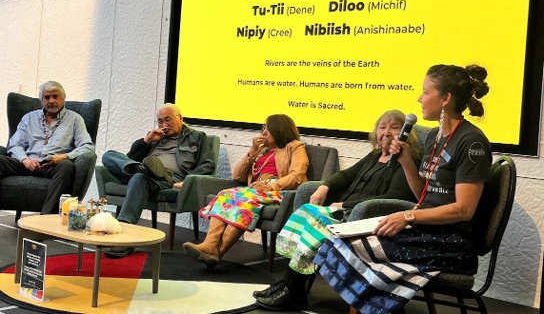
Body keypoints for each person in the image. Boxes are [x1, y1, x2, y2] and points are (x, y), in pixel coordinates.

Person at [256, 64, 492, 313]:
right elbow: (423, 194)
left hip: (450, 242)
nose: (419, 99)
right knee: (336, 239)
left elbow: (464, 210)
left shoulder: (471, 141)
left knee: (345, 247)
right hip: (425, 229)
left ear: (445, 99)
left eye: (425, 92)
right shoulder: (436, 137)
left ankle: (373, 307)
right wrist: (407, 163)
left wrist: (408, 216)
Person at [253, 110, 420, 310]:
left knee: (316, 220)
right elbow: (346, 175)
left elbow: (393, 198)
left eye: (394, 128)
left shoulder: (408, 161)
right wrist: (325, 187)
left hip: (364, 219)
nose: (386, 133)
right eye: (382, 127)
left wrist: (345, 205)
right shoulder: (375, 155)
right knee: (307, 211)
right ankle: (288, 284)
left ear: (405, 133)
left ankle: (293, 290)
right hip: (344, 213)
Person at [183, 114, 309, 269]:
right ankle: (210, 244)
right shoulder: (261, 151)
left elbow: (297, 175)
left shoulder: (295, 146)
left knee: (245, 200)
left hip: (280, 192)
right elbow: (238, 176)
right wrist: (252, 151)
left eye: (268, 129)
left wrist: (270, 186)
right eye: (264, 129)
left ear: (279, 130)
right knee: (225, 194)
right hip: (255, 192)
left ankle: (217, 252)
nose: (264, 133)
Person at [101, 103, 215, 258]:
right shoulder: (155, 137)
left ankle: (124, 238)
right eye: (160, 121)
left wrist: (188, 181)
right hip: (144, 173)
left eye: (168, 119)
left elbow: (208, 164)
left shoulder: (197, 137)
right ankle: (140, 168)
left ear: (180, 119)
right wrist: (147, 140)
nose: (164, 125)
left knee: (140, 177)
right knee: (108, 155)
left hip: (170, 178)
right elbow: (130, 158)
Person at [0, 81, 95, 214]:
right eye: (47, 97)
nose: (51, 101)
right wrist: (25, 160)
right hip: (26, 163)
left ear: (63, 99)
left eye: (55, 97)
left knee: (66, 166)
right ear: (41, 100)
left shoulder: (75, 119)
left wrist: (63, 157)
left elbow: (88, 147)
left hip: (52, 166)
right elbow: (14, 144)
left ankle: (45, 218)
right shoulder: (29, 118)